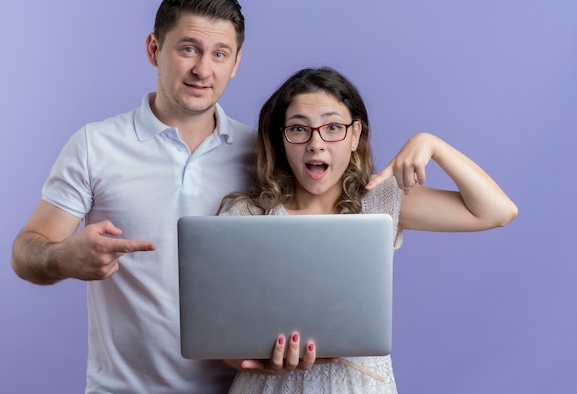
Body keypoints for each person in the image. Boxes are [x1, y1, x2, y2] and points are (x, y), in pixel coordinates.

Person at [10, 0, 391, 393]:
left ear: (236, 62)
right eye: (188, 49)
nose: (203, 69)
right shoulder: (94, 145)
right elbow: (26, 251)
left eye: (220, 54)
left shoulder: (263, 156)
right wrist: (61, 257)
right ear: (154, 49)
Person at [218, 66, 518, 393]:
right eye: (299, 129)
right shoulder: (246, 214)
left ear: (355, 135)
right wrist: (267, 362)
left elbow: (498, 211)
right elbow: (226, 347)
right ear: (281, 138)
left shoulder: (380, 203)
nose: (316, 144)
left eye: (333, 127)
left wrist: (430, 143)